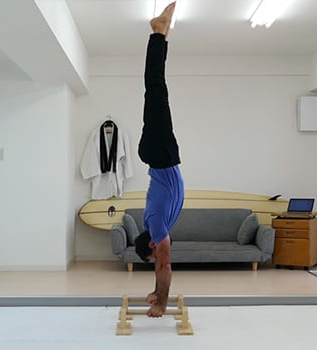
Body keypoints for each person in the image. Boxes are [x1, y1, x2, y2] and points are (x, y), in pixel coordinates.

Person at [134, 1, 184, 318]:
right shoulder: (155, 226)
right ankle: (160, 35)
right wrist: (156, 292)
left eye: (153, 255)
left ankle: (158, 32)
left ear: (151, 244)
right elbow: (161, 262)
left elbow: (164, 263)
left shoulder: (155, 225)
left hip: (160, 155)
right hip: (158, 156)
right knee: (155, 91)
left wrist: (163, 304)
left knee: (155, 88)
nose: (160, 256)